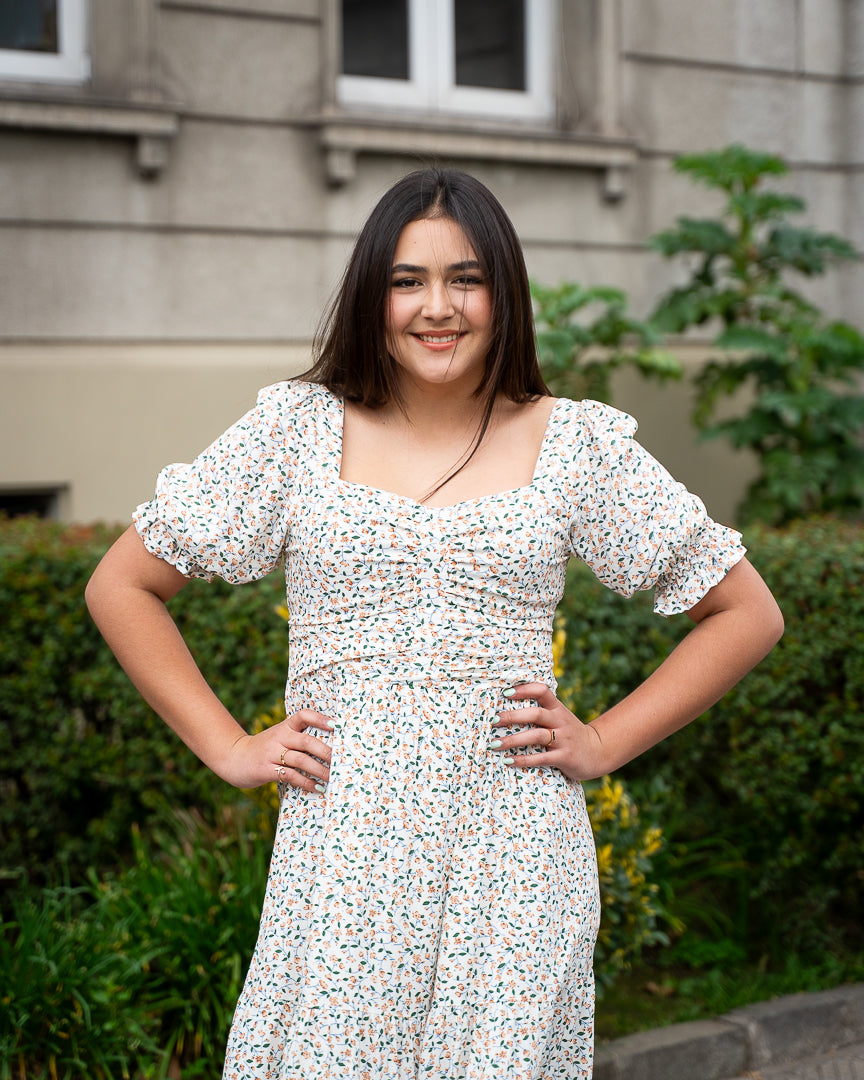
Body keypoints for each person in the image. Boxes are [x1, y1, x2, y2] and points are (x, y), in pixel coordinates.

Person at [86, 167, 784, 1080]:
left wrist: (605, 738)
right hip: (347, 849)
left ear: (504, 294)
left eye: (467, 278)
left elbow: (746, 612)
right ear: (373, 295)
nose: (437, 307)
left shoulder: (575, 444)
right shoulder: (297, 431)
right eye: (407, 280)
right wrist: (228, 747)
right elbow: (123, 585)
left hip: (516, 852)